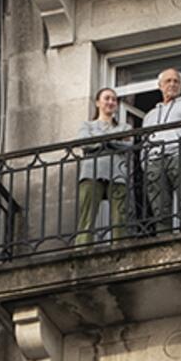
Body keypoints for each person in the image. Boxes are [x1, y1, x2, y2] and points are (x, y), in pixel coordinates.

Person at [142, 68, 181, 232]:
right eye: (168, 81)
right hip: (154, 160)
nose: (172, 84)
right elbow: (145, 140)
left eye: (176, 81)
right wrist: (144, 161)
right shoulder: (150, 115)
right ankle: (164, 240)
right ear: (160, 86)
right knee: (159, 205)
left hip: (180, 154)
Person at [73, 88, 132, 246]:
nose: (111, 102)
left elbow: (128, 145)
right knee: (87, 216)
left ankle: (120, 250)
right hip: (92, 172)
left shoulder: (125, 127)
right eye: (107, 98)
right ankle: (82, 250)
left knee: (119, 217)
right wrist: (113, 140)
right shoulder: (87, 125)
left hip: (118, 173)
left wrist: (100, 141)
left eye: (114, 99)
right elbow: (84, 142)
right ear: (98, 103)